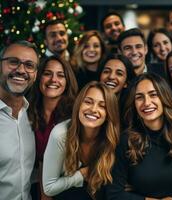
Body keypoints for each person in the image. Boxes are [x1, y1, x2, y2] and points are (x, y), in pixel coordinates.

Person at [106, 73, 172, 200]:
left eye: (153, 95)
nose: (146, 102)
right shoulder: (126, 141)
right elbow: (112, 194)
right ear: (134, 104)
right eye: (139, 97)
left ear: (164, 97)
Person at [43, 81, 120, 199]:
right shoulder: (60, 134)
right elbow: (49, 188)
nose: (93, 109)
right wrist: (83, 174)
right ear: (79, 104)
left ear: (109, 113)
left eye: (102, 106)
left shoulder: (111, 138)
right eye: (88, 102)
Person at [28, 55, 78, 200]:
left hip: (67, 190)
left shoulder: (75, 115)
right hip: (32, 188)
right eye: (47, 73)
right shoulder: (27, 111)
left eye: (60, 75)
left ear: (67, 81)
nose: (53, 80)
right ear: (39, 77)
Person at [0, 40, 39, 200]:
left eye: (29, 65)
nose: (21, 70)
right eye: (13, 62)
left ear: (35, 75)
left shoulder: (33, 115)